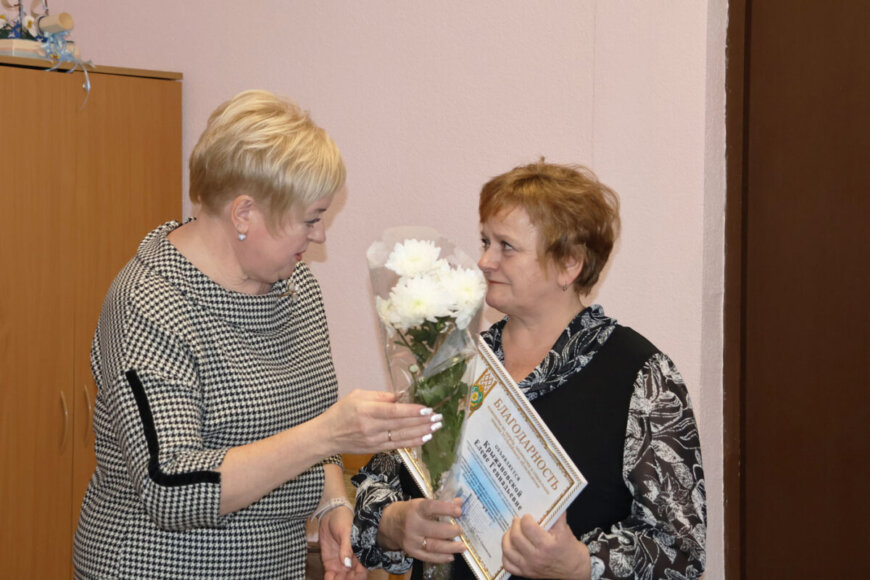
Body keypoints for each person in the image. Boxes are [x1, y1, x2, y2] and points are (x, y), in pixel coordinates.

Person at [73, 90, 444, 579]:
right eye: (311, 219)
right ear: (244, 213)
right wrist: (330, 432)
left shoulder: (295, 286)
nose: (320, 236)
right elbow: (172, 489)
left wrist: (332, 501)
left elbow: (311, 420)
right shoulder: (149, 303)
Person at [351, 160, 706, 579]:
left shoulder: (641, 377)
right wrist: (394, 524)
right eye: (485, 241)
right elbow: (375, 488)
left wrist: (582, 565)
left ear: (569, 264)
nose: (485, 261)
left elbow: (680, 552)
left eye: (507, 246)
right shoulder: (453, 361)